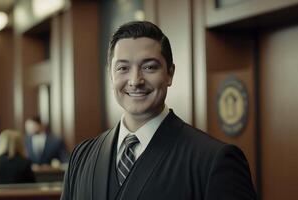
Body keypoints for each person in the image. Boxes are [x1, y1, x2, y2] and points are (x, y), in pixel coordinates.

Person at [61, 21, 256, 200]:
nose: (135, 80)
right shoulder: (82, 156)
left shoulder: (213, 160)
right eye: (123, 68)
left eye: (149, 67)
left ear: (170, 73)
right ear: (110, 76)